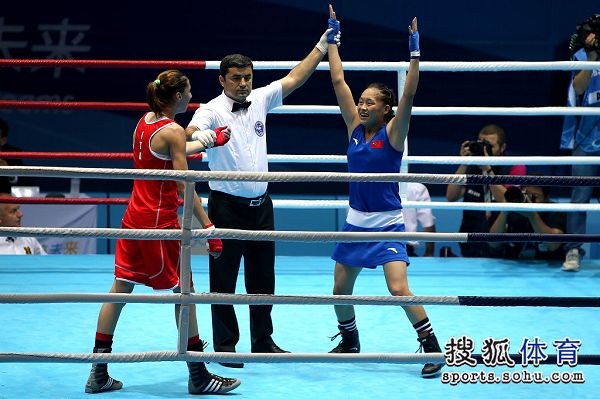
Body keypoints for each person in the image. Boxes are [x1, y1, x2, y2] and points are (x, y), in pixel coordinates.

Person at [185, 9, 340, 368]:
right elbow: (190, 134)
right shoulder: (210, 110)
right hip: (225, 206)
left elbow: (295, 77)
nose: (243, 84)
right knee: (223, 280)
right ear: (223, 80)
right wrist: (204, 137)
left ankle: (263, 340)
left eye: (248, 78)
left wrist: (322, 44)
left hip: (261, 205)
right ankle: (225, 346)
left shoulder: (261, 99)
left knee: (262, 278)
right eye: (237, 78)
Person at [85, 70, 240, 395]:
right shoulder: (171, 130)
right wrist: (208, 228)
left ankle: (98, 371)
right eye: (188, 91)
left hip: (134, 219)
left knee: (120, 290)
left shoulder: (145, 122)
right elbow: (185, 182)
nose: (191, 95)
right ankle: (198, 374)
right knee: (185, 293)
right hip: (159, 225)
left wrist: (210, 140)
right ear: (178, 97)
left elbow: (174, 149)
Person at [326, 7, 442, 378]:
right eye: (360, 101)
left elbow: (409, 94)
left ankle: (432, 348)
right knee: (340, 291)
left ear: (386, 109)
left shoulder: (393, 134)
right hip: (355, 223)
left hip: (388, 224)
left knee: (398, 288)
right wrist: (333, 38)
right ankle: (350, 340)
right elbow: (339, 81)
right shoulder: (353, 128)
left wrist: (414, 51)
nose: (361, 105)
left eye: (369, 102)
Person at [446, 124, 526, 257]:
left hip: (502, 244)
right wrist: (464, 162)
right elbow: (451, 196)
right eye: (482, 144)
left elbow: (506, 201)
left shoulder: (515, 167)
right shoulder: (471, 166)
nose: (485, 150)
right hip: (472, 240)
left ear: (503, 148)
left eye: (490, 146)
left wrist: (486, 169)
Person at [560, 14, 600, 272]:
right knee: (579, 196)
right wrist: (593, 56)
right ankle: (574, 249)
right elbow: (579, 87)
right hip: (586, 138)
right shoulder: (583, 57)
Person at [488, 180, 567, 260]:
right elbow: (493, 243)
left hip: (546, 267)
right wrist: (504, 211)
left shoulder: (555, 211)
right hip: (513, 267)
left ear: (546, 199)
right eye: (526, 195)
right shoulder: (514, 210)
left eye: (535, 197)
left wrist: (532, 216)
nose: (529, 200)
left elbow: (553, 245)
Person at [0, 118, 35, 193]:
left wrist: (10, 174)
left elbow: (28, 186)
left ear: (3, 140)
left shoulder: (13, 154)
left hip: (5, 200)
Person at [402, 182, 437, 257]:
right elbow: (428, 223)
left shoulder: (372, 185)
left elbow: (428, 222)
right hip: (405, 251)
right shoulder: (416, 188)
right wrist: (429, 253)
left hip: (375, 246)